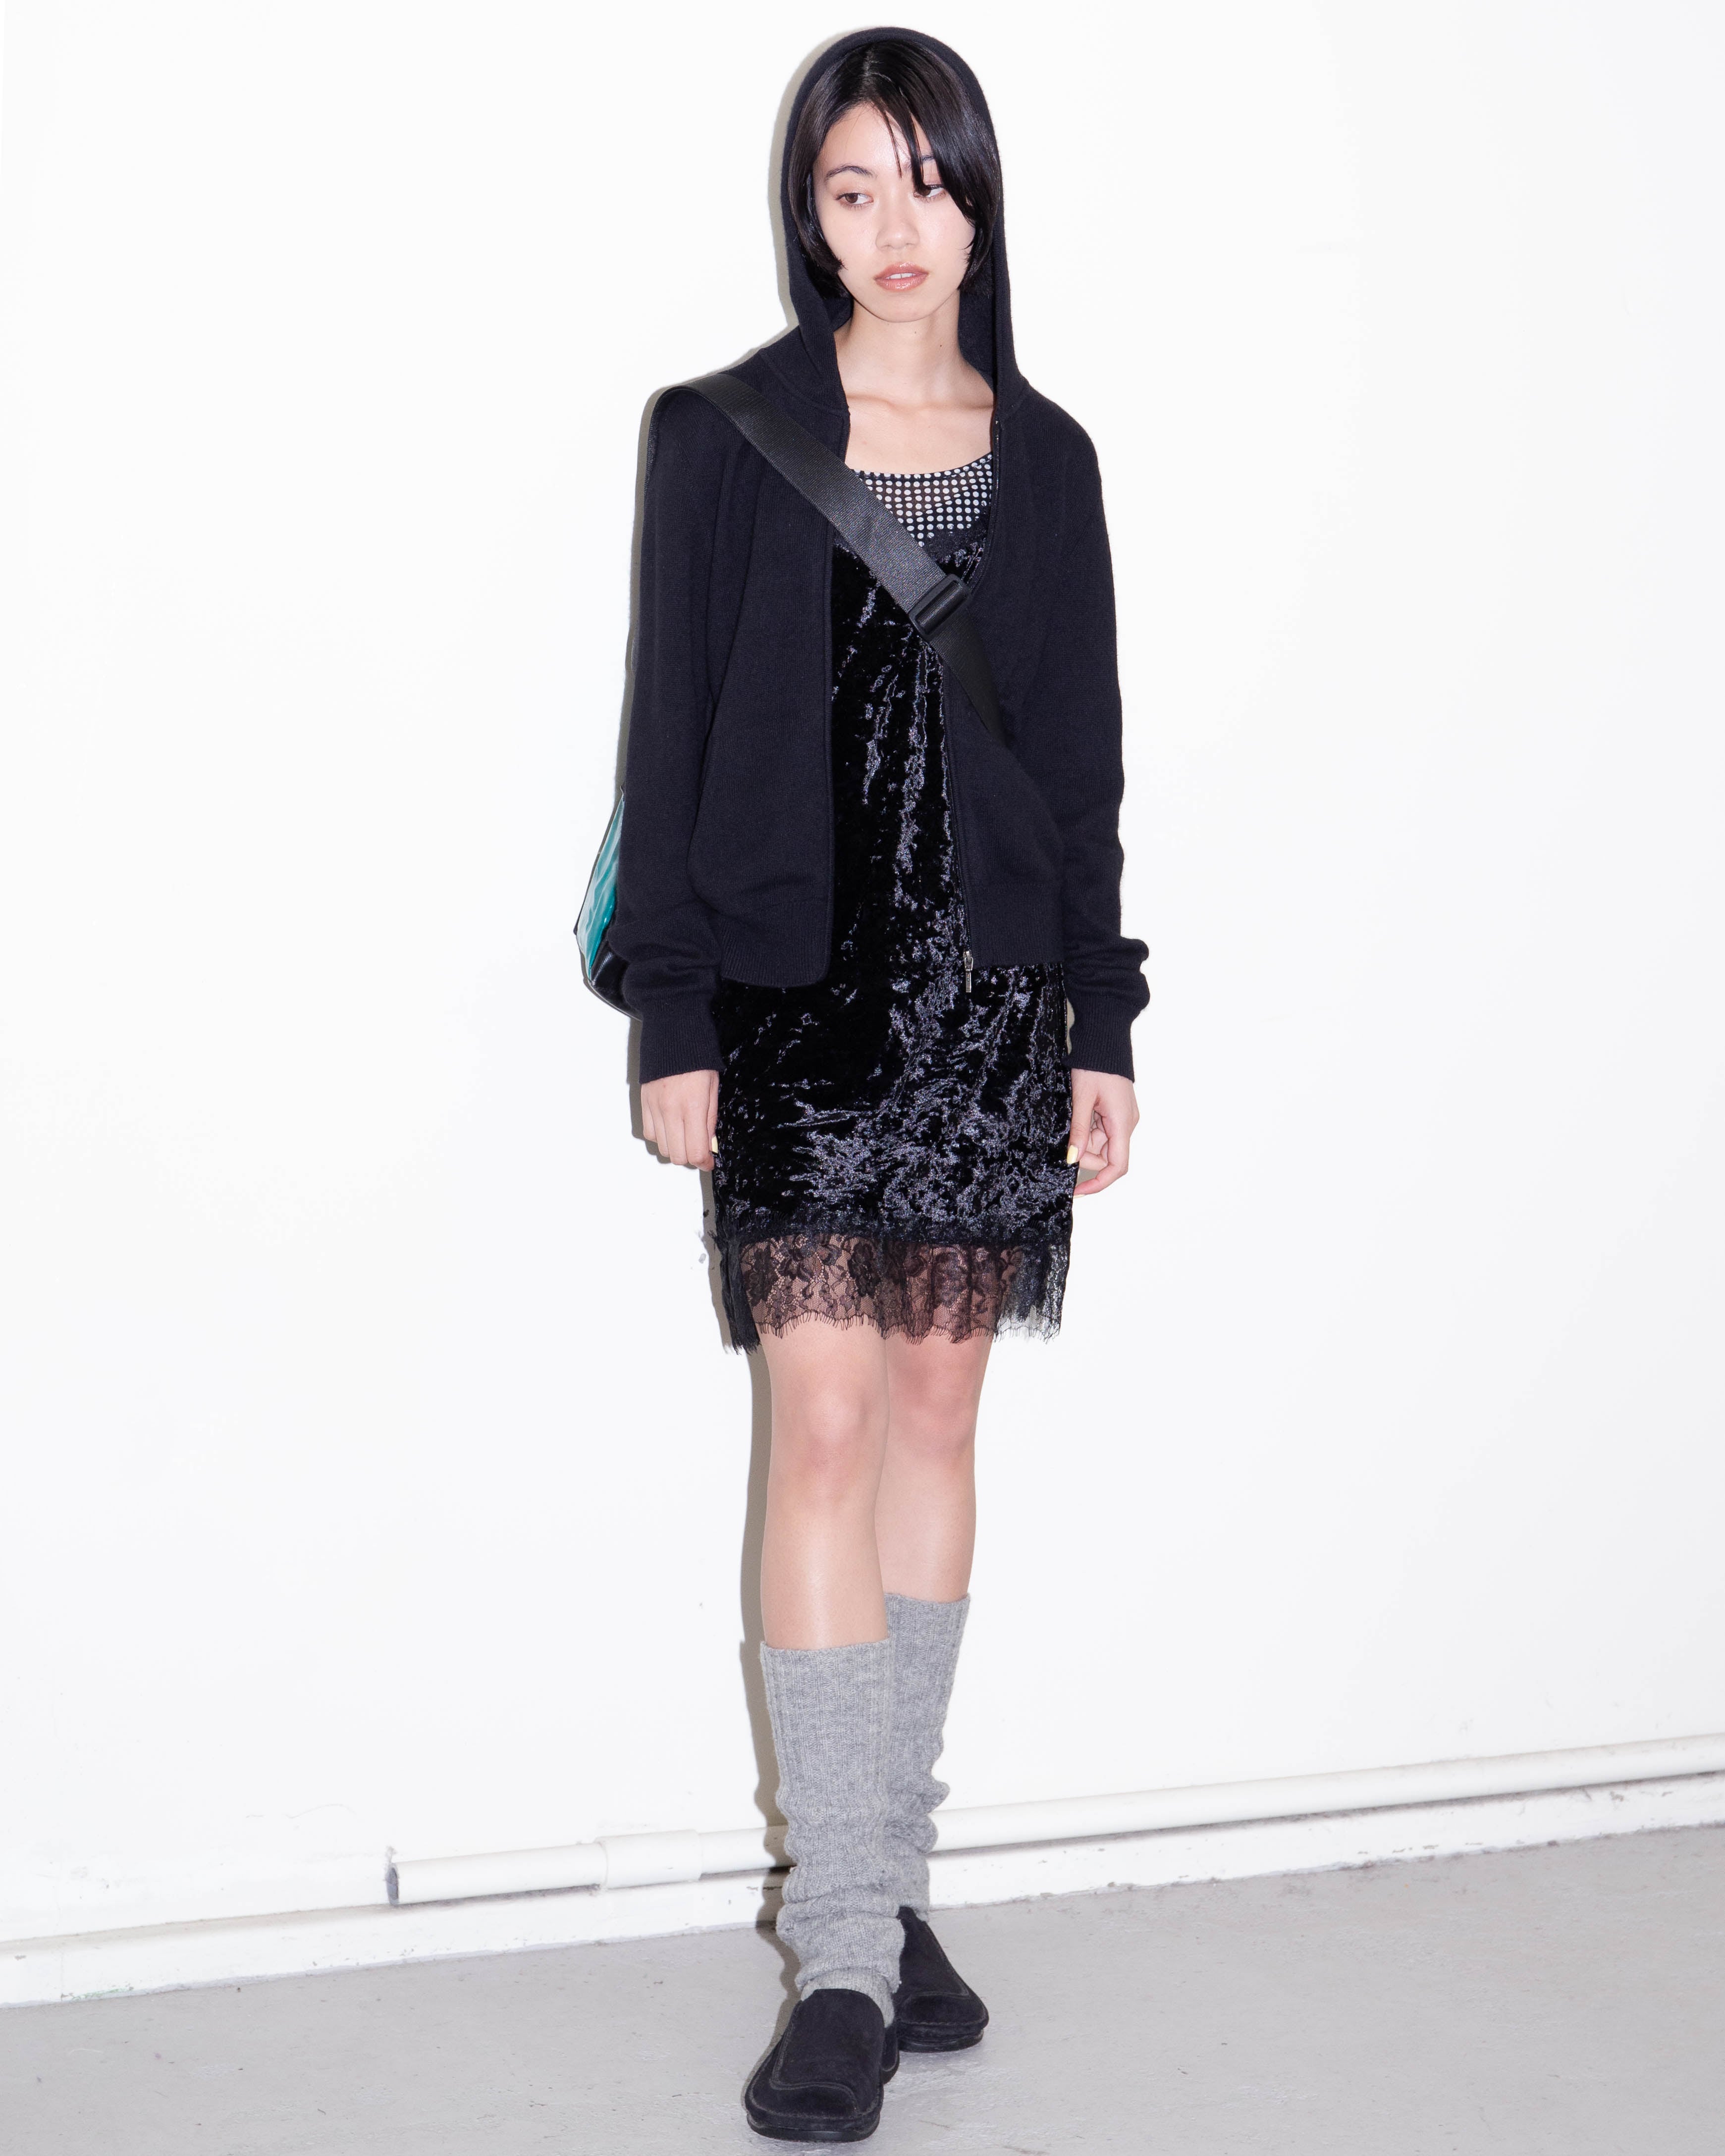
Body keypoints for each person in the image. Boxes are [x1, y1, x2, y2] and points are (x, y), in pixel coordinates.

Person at [610, 27, 1149, 2142]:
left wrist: (1101, 1019)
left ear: (980, 204)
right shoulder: (720, 439)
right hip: (797, 1003)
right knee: (821, 1421)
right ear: (808, 214)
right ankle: (842, 1951)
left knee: (932, 1418)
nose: (894, 226)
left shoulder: (1054, 460)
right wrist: (675, 1012)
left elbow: (1083, 770)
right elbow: (667, 733)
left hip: (989, 1007)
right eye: (853, 187)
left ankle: (888, 1873)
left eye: (928, 183)